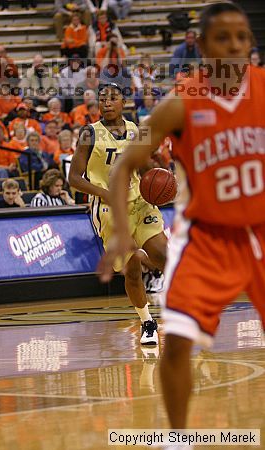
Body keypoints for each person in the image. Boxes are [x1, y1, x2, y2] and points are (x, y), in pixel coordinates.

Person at [98, 3, 265, 448]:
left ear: (251, 44)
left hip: (262, 231)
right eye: (223, 37)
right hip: (208, 235)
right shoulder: (182, 102)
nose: (234, 45)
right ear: (204, 47)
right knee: (178, 344)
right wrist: (118, 231)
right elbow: (125, 166)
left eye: (242, 36)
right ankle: (177, 439)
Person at [69, 83, 167, 345]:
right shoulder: (89, 133)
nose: (107, 102)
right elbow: (74, 178)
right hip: (108, 208)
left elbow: (146, 165)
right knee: (131, 270)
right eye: (102, 99)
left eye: (113, 98)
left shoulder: (137, 130)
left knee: (165, 256)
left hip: (139, 202)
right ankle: (147, 321)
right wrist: (104, 193)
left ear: (124, 102)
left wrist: (162, 178)